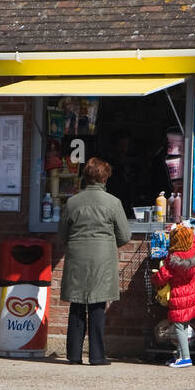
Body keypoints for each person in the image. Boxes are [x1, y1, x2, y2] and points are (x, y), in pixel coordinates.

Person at [58, 156, 131, 366]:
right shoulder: (113, 202)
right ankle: (97, 356)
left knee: (77, 305)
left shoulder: (72, 202)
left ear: (85, 177)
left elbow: (62, 235)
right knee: (98, 306)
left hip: (77, 257)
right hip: (102, 258)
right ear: (104, 178)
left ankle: (73, 355)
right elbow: (125, 235)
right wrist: (107, 243)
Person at [152, 223, 195, 368]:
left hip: (179, 294)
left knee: (179, 327)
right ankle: (179, 356)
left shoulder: (173, 259)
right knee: (184, 325)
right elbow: (192, 241)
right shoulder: (194, 253)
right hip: (191, 292)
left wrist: (154, 278)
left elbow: (163, 276)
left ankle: (186, 358)